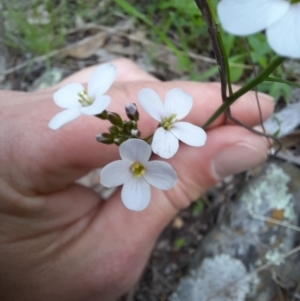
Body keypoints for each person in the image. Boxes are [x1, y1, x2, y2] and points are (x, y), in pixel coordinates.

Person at [0, 58, 273, 301]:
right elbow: (136, 153)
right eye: (138, 168)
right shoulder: (131, 147)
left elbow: (150, 145)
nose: (139, 169)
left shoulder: (151, 133)